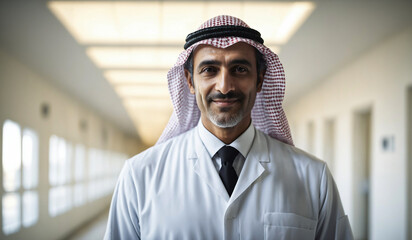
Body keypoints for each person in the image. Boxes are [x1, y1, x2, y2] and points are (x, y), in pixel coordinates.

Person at [104, 15, 353, 240]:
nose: (224, 86)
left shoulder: (312, 177)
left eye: (240, 69)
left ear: (260, 79)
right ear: (190, 81)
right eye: (210, 70)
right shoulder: (139, 176)